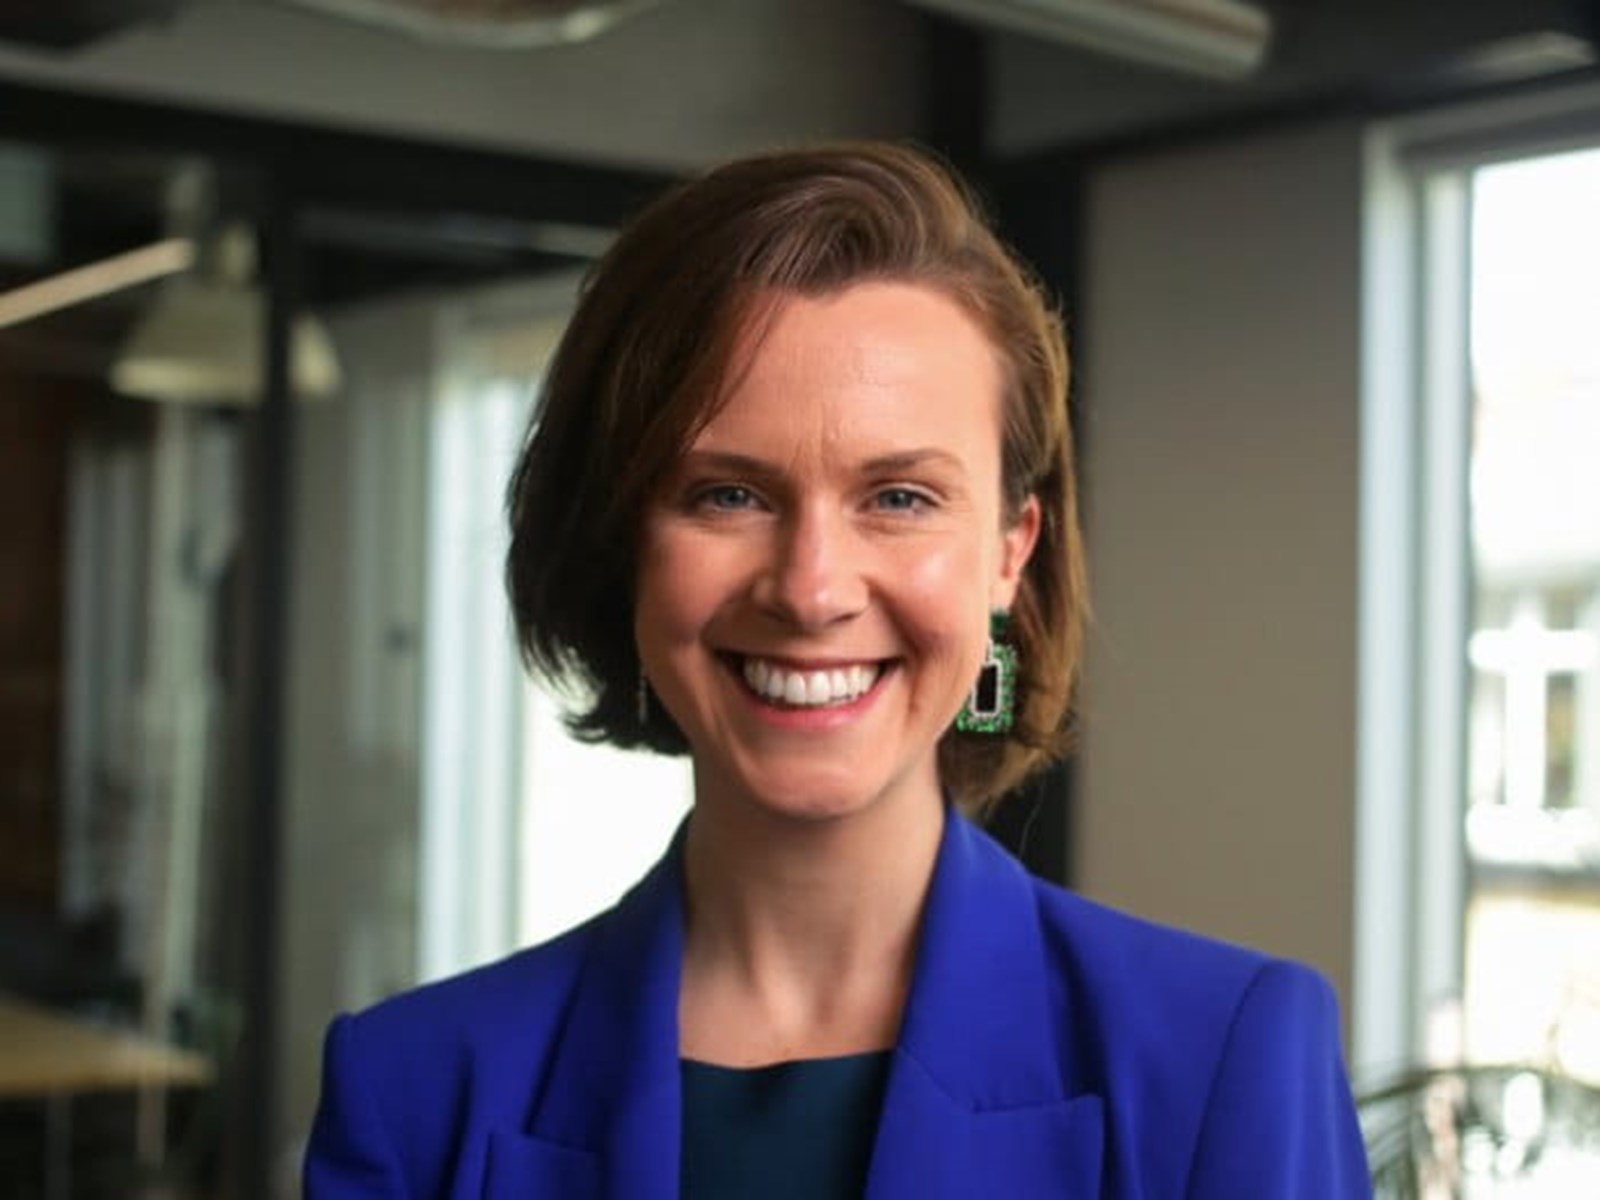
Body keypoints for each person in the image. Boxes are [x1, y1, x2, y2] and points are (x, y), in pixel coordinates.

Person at [304, 142, 1371, 1198]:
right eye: (728, 493)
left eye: (899, 497)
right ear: (621, 542)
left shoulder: (1226, 1057)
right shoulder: (413, 1092)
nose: (811, 590)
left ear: (1011, 550)